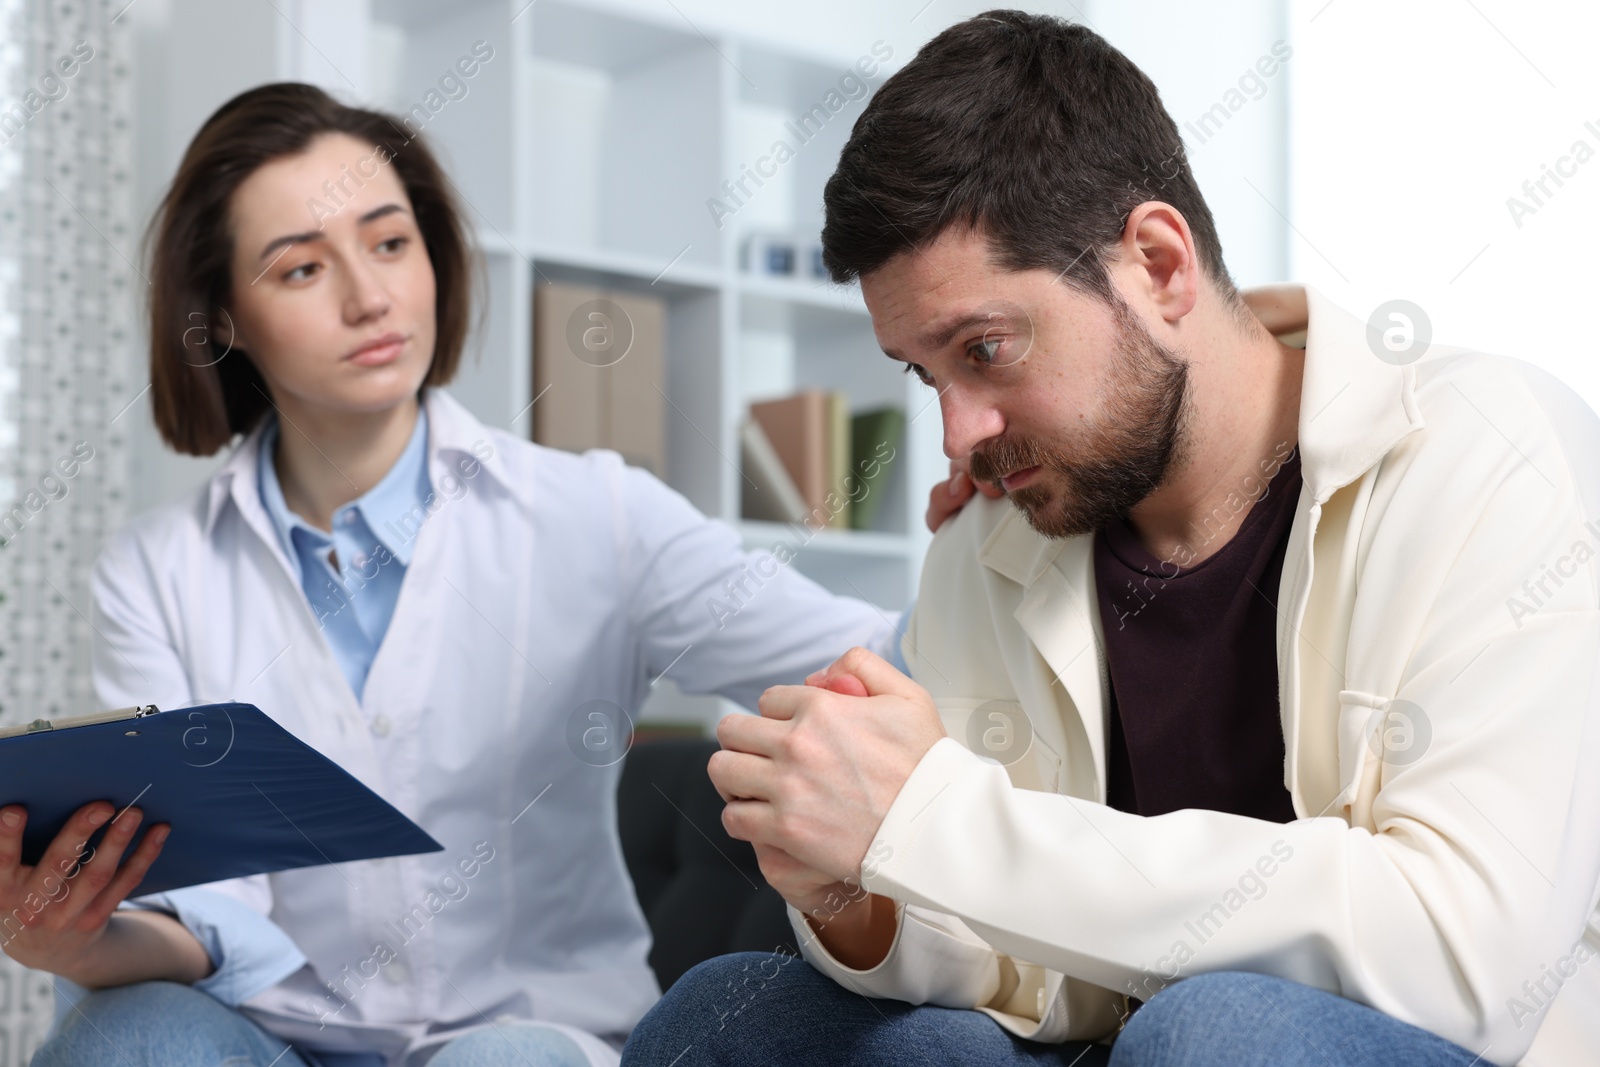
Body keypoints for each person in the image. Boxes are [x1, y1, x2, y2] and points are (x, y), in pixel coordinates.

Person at [623, 11, 1600, 1067]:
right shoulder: (995, 534)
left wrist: (935, 818)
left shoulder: (1486, 452)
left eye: (986, 348)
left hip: (1416, 1044)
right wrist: (859, 890)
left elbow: (1463, 957)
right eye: (925, 374)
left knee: (1214, 1030)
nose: (957, 434)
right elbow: (1022, 964)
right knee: (738, 1008)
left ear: (1158, 264)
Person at [3, 82, 943, 1067]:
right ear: (223, 315)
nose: (368, 295)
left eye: (390, 242)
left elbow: (873, 658)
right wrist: (76, 937)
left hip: (527, 1033)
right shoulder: (158, 570)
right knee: (131, 1033)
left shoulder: (596, 514)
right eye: (300, 269)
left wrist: (988, 544)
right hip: (267, 1037)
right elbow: (203, 913)